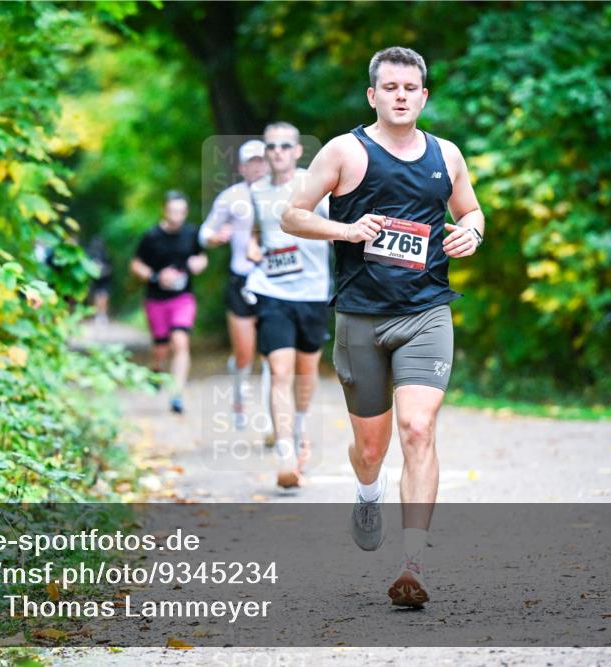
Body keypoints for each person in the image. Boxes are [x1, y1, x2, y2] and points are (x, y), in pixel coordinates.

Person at [281, 46, 485, 607]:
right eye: (389, 87)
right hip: (361, 318)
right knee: (370, 449)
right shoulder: (346, 151)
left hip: (426, 312)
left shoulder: (447, 154)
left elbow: (470, 210)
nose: (400, 96)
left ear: (424, 95)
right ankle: (367, 491)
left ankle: (412, 563)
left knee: (418, 429)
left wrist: (473, 231)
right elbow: (291, 214)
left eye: (410, 88)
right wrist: (346, 232)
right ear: (373, 95)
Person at [245, 122, 331, 489]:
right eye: (271, 146)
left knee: (305, 374)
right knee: (280, 371)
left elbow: (341, 228)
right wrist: (254, 248)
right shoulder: (255, 191)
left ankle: (298, 430)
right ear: (265, 153)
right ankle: (284, 453)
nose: (277, 151)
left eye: (284, 146)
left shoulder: (316, 188)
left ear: (297, 152)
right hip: (273, 291)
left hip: (313, 292)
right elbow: (255, 232)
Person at [199, 140, 272, 430]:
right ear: (242, 167)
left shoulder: (282, 195)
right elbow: (205, 232)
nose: (257, 166)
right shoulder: (230, 198)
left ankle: (269, 416)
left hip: (273, 280)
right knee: (245, 351)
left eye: (261, 160)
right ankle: (239, 397)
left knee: (272, 351)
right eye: (251, 162)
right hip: (241, 278)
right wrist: (214, 238)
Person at [130, 191, 208, 414]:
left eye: (181, 212)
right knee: (161, 348)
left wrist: (197, 264)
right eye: (173, 211)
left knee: (180, 341)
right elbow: (136, 265)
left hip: (183, 298)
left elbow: (202, 257)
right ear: (164, 210)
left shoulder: (192, 233)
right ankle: (156, 368)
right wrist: (155, 277)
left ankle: (177, 394)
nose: (177, 216)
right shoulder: (151, 236)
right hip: (156, 299)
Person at [86, 235, 113, 326]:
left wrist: (103, 270)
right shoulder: (91, 255)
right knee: (97, 297)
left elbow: (110, 269)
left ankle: (102, 315)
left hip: (104, 280)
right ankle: (98, 315)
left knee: (103, 297)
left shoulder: (106, 255)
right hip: (96, 280)